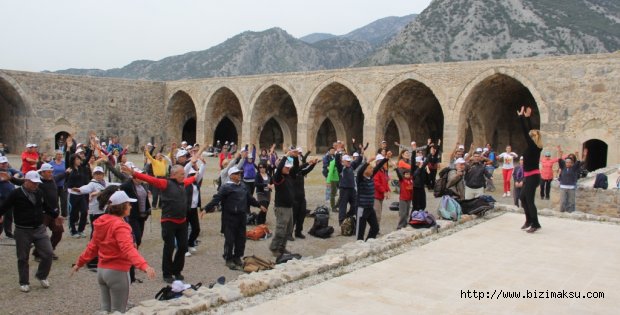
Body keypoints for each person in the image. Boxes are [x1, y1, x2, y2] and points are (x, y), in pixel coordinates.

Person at [71, 190, 156, 313]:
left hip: (102, 271)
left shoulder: (101, 222)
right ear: (122, 207)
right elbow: (128, 249)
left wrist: (79, 263)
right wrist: (144, 266)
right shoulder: (121, 226)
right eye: (128, 204)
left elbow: (92, 247)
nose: (131, 206)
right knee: (118, 310)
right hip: (117, 272)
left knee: (105, 309)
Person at [121, 158, 201, 283]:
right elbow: (151, 179)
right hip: (169, 221)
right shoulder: (166, 183)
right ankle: (167, 273)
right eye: (181, 174)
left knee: (183, 247)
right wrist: (133, 173)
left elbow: (190, 180)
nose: (183, 176)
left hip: (182, 221)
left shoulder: (182, 183)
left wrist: (195, 176)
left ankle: (177, 270)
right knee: (169, 247)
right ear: (174, 175)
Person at [202, 166, 266, 269]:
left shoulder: (243, 186)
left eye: (239, 173)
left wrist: (259, 205)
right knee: (230, 239)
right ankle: (228, 258)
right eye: (236, 174)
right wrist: (206, 209)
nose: (239, 175)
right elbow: (216, 199)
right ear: (231, 176)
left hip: (241, 216)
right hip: (230, 217)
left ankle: (237, 257)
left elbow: (250, 198)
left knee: (241, 239)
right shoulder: (226, 187)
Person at [0, 171, 53, 293]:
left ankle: (41, 275)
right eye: (33, 183)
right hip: (23, 230)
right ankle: (24, 282)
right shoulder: (16, 193)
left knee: (48, 253)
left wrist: (55, 215)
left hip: (39, 228)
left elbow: (46, 206)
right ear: (26, 181)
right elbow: (5, 206)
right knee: (23, 257)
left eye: (37, 183)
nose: (36, 185)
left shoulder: (39, 192)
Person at [517, 106, 543, 233]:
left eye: (531, 136)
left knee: (529, 200)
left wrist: (522, 118)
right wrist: (526, 118)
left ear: (534, 138)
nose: (529, 136)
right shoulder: (533, 147)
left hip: (533, 177)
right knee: (522, 197)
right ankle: (528, 220)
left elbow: (525, 131)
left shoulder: (535, 147)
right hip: (529, 176)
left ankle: (535, 223)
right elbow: (529, 131)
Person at [269, 151, 299, 257]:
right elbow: (280, 167)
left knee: (288, 230)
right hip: (281, 207)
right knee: (281, 229)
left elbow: (295, 168)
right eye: (285, 167)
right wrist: (286, 155)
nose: (288, 168)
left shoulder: (289, 176)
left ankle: (282, 247)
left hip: (289, 207)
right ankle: (274, 248)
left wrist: (295, 157)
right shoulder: (278, 177)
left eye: (288, 167)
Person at [356, 153, 390, 240]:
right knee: (360, 232)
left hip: (370, 208)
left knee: (375, 228)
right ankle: (359, 247)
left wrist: (386, 159)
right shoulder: (360, 179)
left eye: (372, 168)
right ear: (365, 170)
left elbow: (378, 167)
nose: (372, 170)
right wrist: (368, 162)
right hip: (362, 209)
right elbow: (360, 171)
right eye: (370, 168)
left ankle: (368, 242)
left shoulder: (370, 177)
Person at [292, 148, 317, 240]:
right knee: (293, 217)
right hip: (294, 198)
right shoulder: (292, 174)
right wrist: (307, 163)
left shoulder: (300, 173)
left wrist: (313, 164)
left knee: (301, 216)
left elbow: (307, 170)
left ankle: (298, 232)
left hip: (302, 197)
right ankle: (289, 233)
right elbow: (298, 167)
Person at [335, 152, 363, 224]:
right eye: (347, 161)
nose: (348, 162)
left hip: (352, 189)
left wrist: (361, 153)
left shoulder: (351, 166)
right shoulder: (341, 168)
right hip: (344, 190)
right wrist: (338, 153)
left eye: (349, 161)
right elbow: (337, 161)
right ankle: (342, 222)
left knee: (355, 205)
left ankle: (348, 216)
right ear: (343, 162)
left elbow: (358, 161)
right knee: (343, 206)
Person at [0, 155, 21, 239]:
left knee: (9, 215)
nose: (4, 165)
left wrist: (14, 176)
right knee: (1, 215)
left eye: (5, 163)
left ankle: (8, 232)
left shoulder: (10, 170)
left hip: (10, 196)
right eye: (2, 164)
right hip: (1, 196)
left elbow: (20, 173)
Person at [557, 147, 583, 213]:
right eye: (567, 162)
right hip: (563, 187)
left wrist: (577, 155)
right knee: (563, 201)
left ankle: (570, 213)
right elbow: (560, 160)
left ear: (571, 163)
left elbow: (578, 162)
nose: (568, 163)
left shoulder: (573, 168)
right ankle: (562, 212)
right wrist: (560, 153)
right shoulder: (563, 167)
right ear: (565, 163)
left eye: (569, 162)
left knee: (571, 202)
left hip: (571, 187)